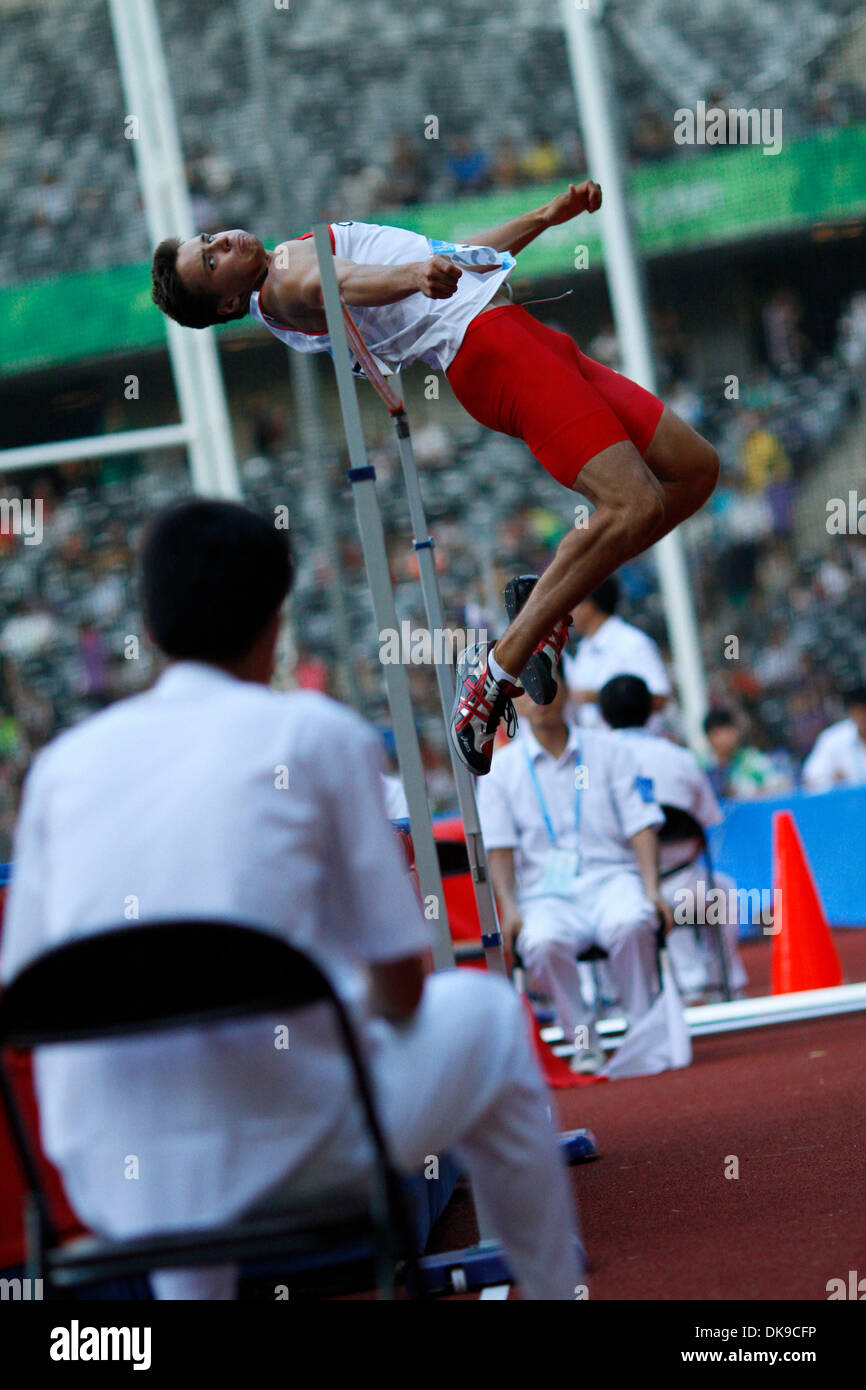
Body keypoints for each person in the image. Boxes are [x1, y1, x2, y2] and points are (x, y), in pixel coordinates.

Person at [0, 499, 581, 1301]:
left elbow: (22, 994)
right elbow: (405, 991)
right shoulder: (316, 737)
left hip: (109, 1172)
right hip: (298, 1151)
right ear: (276, 623)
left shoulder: (60, 769)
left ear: (150, 621)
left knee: (178, 1105)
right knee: (483, 1020)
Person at [150, 180, 718, 775]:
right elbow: (341, 285)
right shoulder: (283, 279)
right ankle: (495, 671)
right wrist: (413, 278)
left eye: (210, 238)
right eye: (212, 259)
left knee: (693, 470)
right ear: (224, 304)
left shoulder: (288, 263)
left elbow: (456, 255)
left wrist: (544, 217)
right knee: (633, 506)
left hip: (521, 334)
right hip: (491, 348)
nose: (225, 242)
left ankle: (542, 607)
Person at [476, 668, 669, 1075]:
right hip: (545, 895)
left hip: (611, 879)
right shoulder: (501, 771)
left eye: (548, 685)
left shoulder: (610, 751)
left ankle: (641, 1028)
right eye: (527, 691)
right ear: (515, 703)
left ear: (567, 691)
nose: (540, 697)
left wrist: (652, 888)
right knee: (541, 941)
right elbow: (500, 849)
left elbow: (640, 824)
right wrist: (509, 906)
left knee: (634, 919)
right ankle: (582, 1037)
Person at [599, 675, 747, 999]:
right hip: (686, 889)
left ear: (602, 715)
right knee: (724, 891)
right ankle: (727, 982)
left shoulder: (596, 762)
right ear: (651, 709)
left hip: (624, 891)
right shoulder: (678, 756)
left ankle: (614, 997)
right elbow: (708, 819)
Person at [562, 576, 671, 731]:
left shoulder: (632, 643)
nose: (569, 613)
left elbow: (659, 699)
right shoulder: (584, 649)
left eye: (573, 605)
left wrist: (597, 697)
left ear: (589, 606)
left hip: (635, 746)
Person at [702, 707, 788, 800]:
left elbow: (777, 785)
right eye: (721, 733)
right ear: (709, 736)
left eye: (731, 731)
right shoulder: (703, 765)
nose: (728, 737)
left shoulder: (751, 759)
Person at [802, 684, 866, 792]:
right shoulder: (833, 738)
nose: (864, 716)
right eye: (860, 711)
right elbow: (811, 778)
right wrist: (833, 780)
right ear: (851, 713)